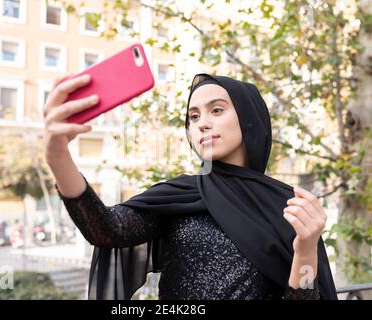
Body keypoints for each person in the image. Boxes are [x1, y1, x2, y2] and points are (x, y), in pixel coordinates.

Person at [44, 72, 338, 300]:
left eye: (217, 110)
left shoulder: (289, 205)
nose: (201, 124)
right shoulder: (179, 196)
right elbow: (106, 229)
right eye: (193, 116)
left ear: (249, 118)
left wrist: (305, 250)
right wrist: (58, 157)